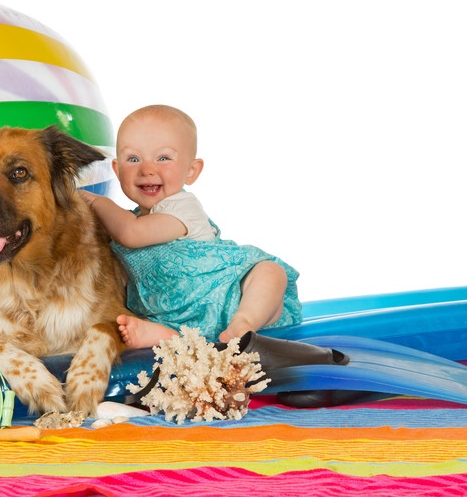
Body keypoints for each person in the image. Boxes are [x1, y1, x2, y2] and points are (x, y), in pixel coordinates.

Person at [80, 104, 302, 349]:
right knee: (134, 319)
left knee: (270, 272)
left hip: (231, 297)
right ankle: (166, 337)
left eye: (163, 158)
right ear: (117, 170)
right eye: (133, 159)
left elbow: (131, 233)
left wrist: (97, 201)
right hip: (173, 317)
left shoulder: (181, 207)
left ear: (192, 171)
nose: (147, 169)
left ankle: (244, 321)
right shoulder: (123, 223)